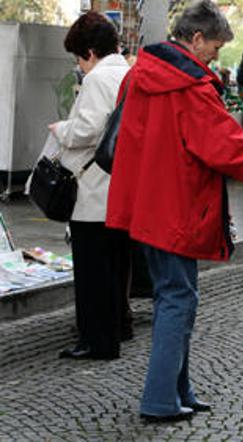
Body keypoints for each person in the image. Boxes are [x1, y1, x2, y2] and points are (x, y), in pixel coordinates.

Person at [106, 0, 243, 422]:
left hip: (145, 203)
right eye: (215, 46)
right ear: (196, 38)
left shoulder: (139, 74)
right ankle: (161, 399)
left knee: (174, 296)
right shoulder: (190, 86)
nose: (217, 56)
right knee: (178, 299)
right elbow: (227, 149)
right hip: (177, 207)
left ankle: (179, 389)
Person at [49, 12, 132, 361]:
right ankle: (117, 327)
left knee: (92, 270)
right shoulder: (129, 73)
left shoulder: (99, 79)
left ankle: (96, 340)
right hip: (122, 185)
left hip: (95, 187)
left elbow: (89, 129)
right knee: (117, 266)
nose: (80, 66)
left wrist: (60, 129)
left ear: (90, 52)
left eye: (79, 58)